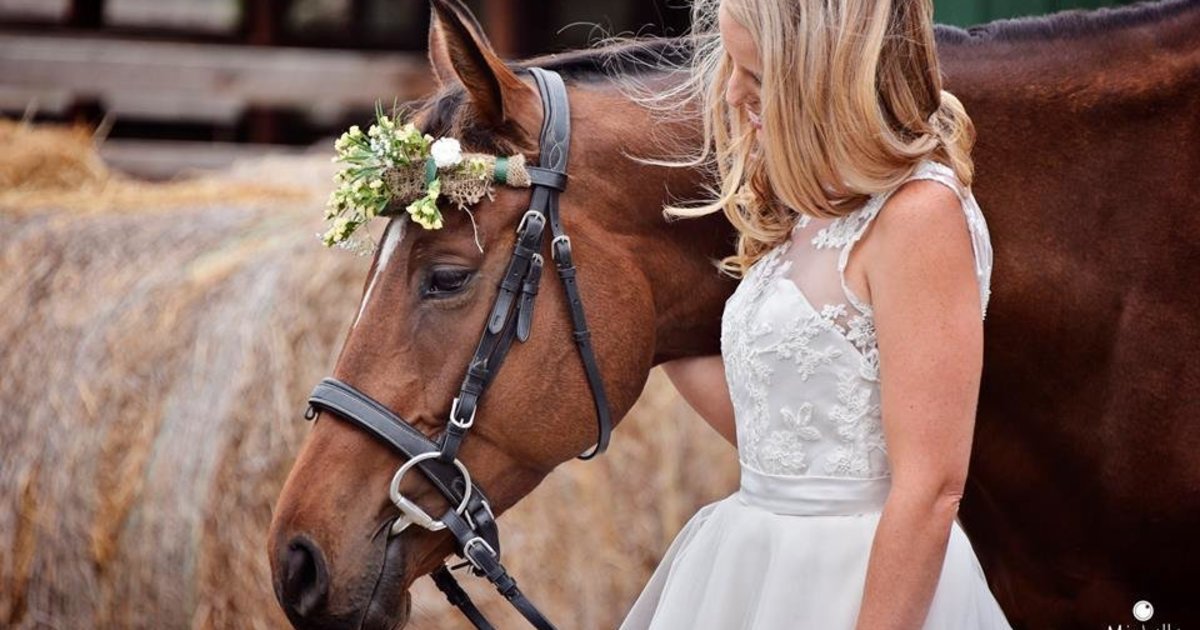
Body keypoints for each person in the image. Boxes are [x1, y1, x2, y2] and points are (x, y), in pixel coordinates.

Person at [619, 0, 1013, 628]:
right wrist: (643, 327)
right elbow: (782, 432)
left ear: (824, 76)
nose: (730, 96)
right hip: (754, 562)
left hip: (858, 581)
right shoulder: (811, 209)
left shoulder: (919, 217)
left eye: (756, 77)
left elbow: (931, 488)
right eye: (731, 68)